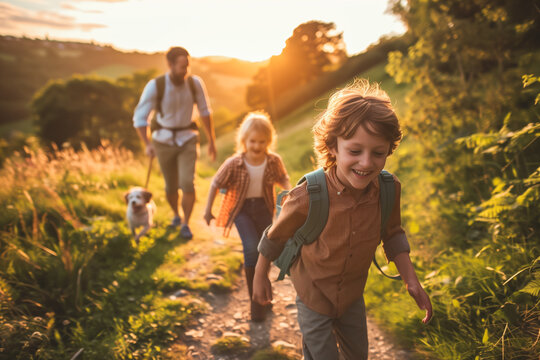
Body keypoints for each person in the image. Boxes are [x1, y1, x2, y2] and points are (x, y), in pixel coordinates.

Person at [253, 80, 433, 359]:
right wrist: (259, 274)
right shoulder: (307, 197)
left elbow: (393, 234)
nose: (366, 163)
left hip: (351, 298)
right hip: (312, 295)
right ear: (333, 146)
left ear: (389, 150)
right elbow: (275, 236)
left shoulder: (388, 190)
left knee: (358, 355)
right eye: (355, 151)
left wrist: (411, 279)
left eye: (378, 153)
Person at [204, 111, 290, 321]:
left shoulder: (273, 161)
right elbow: (216, 183)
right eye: (252, 141)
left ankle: (264, 294)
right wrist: (208, 210)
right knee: (251, 246)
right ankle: (255, 305)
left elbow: (284, 179)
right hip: (241, 210)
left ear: (268, 141)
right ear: (244, 140)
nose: (257, 146)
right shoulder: (235, 163)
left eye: (262, 142)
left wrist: (289, 195)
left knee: (265, 251)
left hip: (263, 208)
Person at [133, 46, 217, 240]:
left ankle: (186, 224)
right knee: (170, 186)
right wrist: (147, 143)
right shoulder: (156, 86)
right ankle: (176, 216)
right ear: (169, 64)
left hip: (188, 138)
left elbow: (205, 112)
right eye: (181, 66)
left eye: (187, 66)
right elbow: (139, 118)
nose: (185, 70)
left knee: (188, 182)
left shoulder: (195, 83)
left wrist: (212, 140)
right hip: (162, 141)